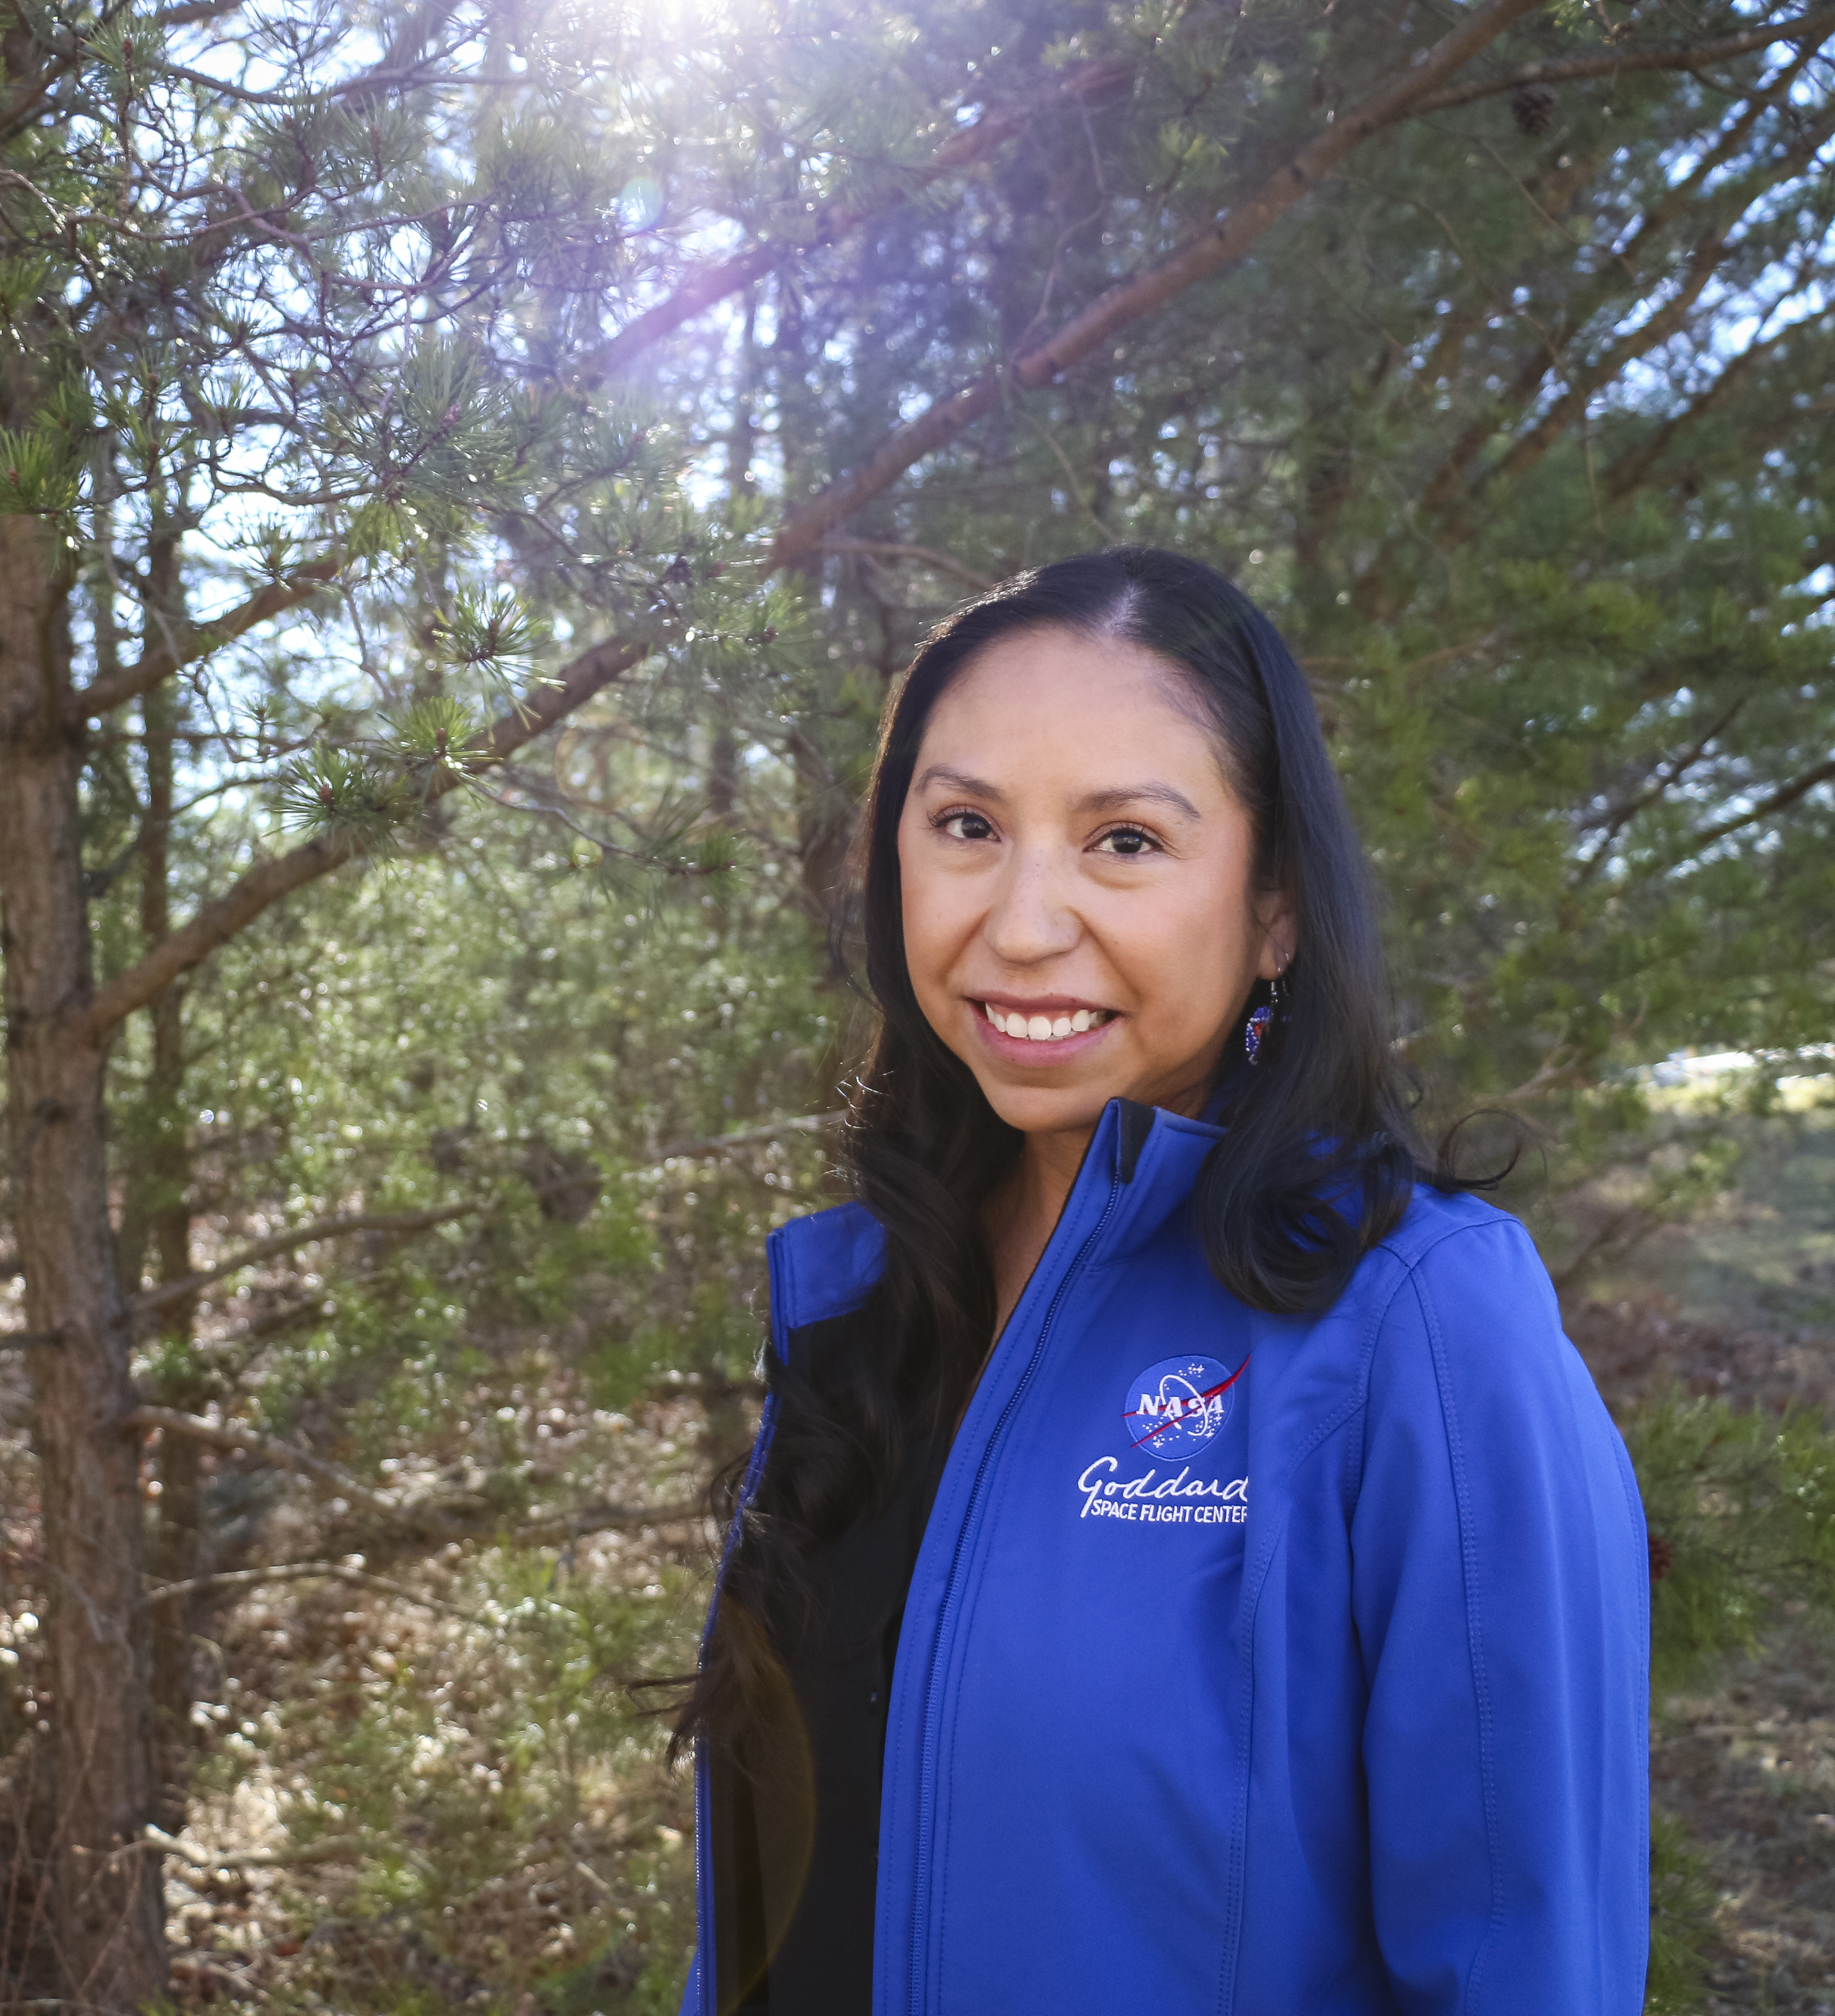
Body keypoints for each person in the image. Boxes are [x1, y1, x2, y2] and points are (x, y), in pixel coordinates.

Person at [670, 550, 1650, 2015]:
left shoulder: (1421, 1324)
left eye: (1125, 841)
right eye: (965, 826)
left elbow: (1528, 1967)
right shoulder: (860, 1300)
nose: (1018, 921)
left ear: (1274, 911)